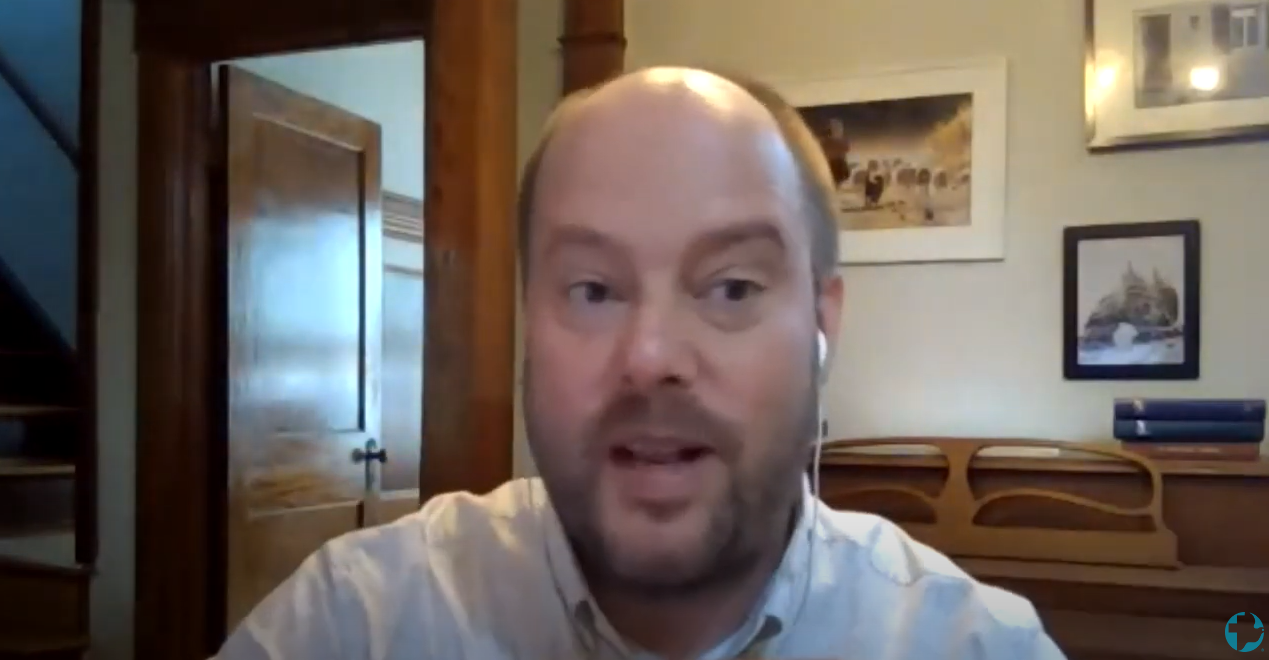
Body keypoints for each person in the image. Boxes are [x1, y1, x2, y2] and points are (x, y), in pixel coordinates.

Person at [213, 67, 1066, 660]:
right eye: (592, 290)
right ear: (527, 326)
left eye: (730, 287)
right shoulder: (354, 624)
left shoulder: (976, 645)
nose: (651, 357)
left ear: (820, 323)